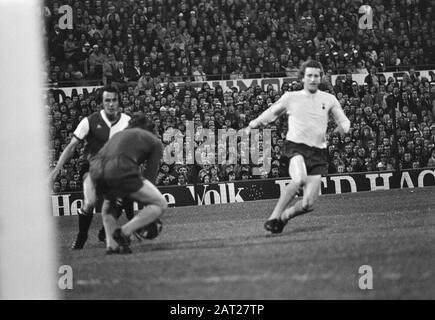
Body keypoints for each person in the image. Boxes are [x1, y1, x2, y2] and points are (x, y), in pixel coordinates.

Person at [245, 60, 351, 233]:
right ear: (303, 77)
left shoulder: (329, 99)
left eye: (316, 75)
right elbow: (271, 113)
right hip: (296, 147)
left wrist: (345, 127)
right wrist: (252, 124)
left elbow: (343, 119)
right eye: (309, 75)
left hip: (318, 153)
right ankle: (273, 217)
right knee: (299, 179)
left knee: (308, 203)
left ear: (321, 77)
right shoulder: (291, 97)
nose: (312, 79)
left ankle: (284, 217)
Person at [49, 85, 132, 249]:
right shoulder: (89, 121)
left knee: (120, 199)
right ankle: (82, 236)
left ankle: (103, 232)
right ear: (102, 102)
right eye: (107, 100)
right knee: (90, 202)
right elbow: (72, 146)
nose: (111, 104)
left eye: (114, 100)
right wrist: (56, 169)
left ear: (119, 101)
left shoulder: (127, 121)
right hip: (91, 167)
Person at [89, 115, 167, 254]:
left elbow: (99, 156)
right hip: (120, 168)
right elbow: (150, 176)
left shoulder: (117, 135)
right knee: (160, 203)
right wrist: (148, 215)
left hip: (95, 171)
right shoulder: (153, 140)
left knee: (110, 203)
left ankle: (112, 246)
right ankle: (124, 233)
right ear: (149, 129)